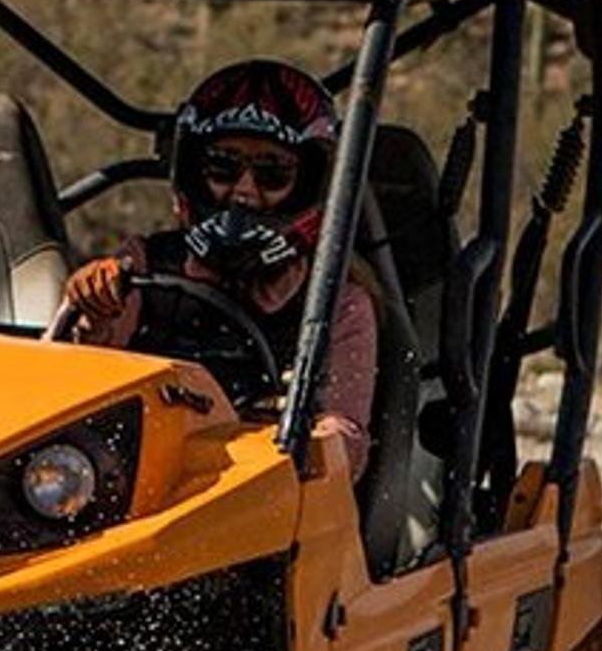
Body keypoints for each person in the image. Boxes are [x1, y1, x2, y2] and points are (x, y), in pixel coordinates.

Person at [63, 59, 378, 480]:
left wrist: (293, 443)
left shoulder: (339, 303)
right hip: (131, 483)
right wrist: (92, 311)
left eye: (272, 173)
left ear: (308, 184)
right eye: (223, 168)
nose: (244, 192)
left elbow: (346, 447)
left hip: (260, 498)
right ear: (194, 171)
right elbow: (74, 386)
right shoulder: (146, 263)